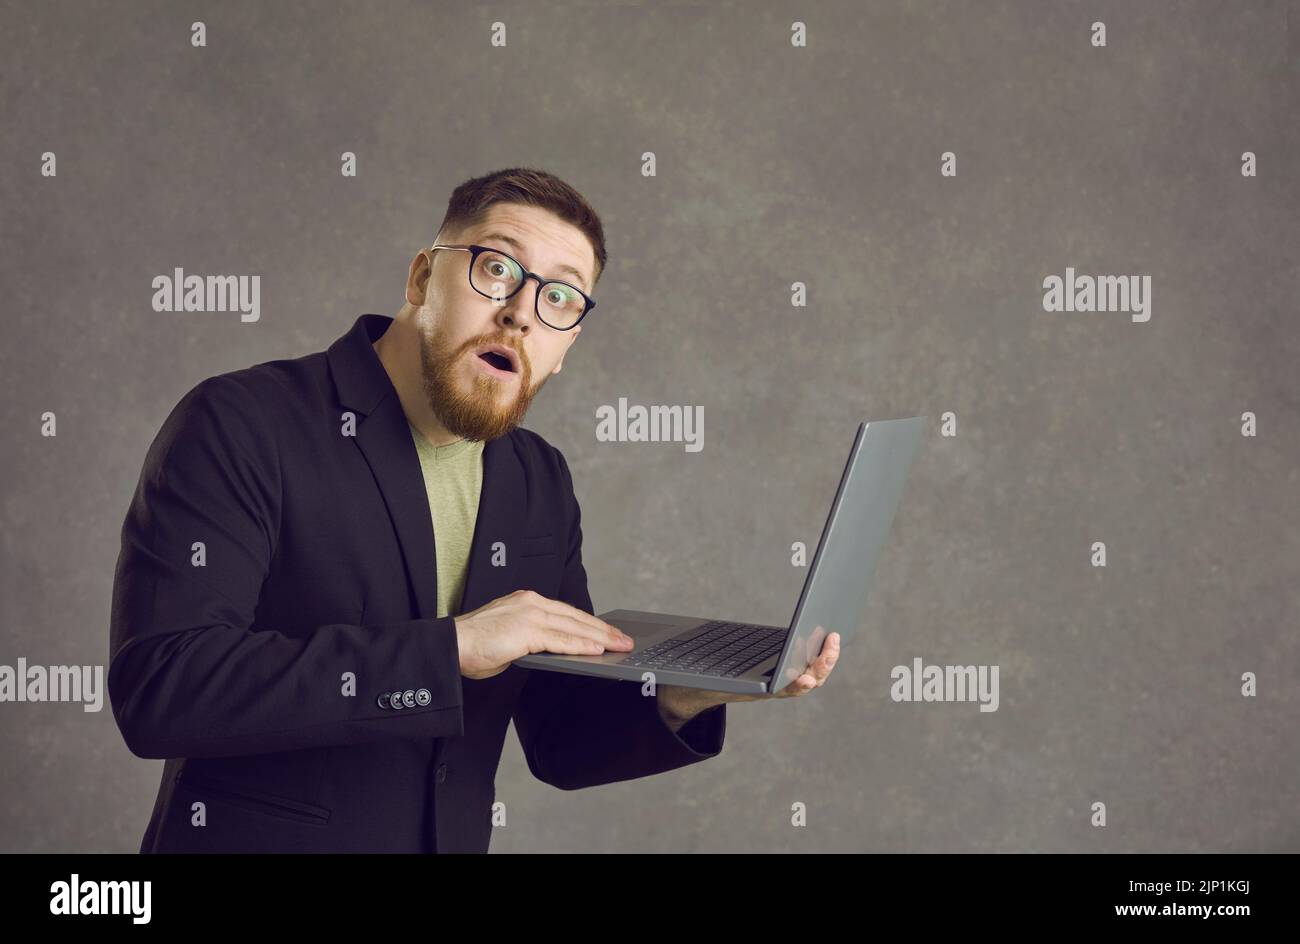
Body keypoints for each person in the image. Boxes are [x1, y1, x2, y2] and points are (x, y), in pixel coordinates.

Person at [108, 166, 838, 853]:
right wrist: (449, 647)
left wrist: (685, 693)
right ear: (424, 277)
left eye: (559, 297)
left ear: (565, 347)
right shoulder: (244, 423)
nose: (521, 313)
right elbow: (164, 688)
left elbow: (559, 739)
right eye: (498, 268)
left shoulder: (536, 480)